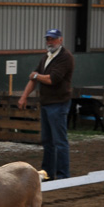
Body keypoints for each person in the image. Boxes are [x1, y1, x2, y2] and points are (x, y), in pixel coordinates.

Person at [18, 28, 74, 180]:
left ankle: (63, 175)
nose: (50, 42)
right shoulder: (46, 57)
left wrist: (36, 75)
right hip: (47, 103)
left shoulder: (65, 57)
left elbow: (51, 79)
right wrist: (24, 96)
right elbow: (34, 79)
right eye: (48, 39)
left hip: (58, 103)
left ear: (60, 40)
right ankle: (48, 173)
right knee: (48, 141)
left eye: (53, 39)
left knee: (59, 141)